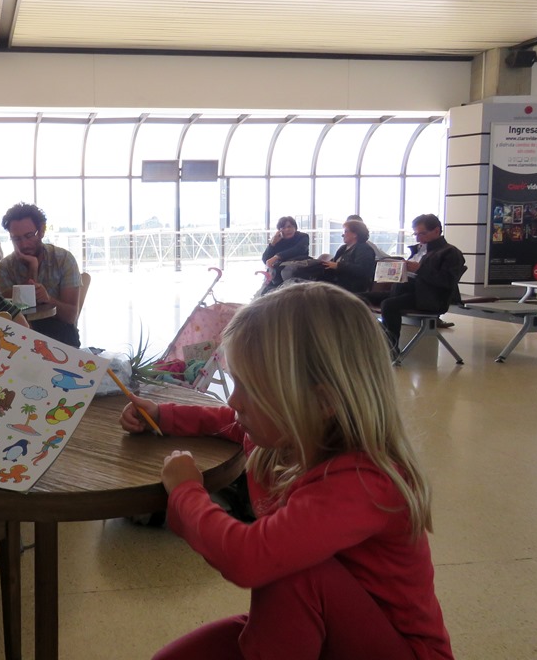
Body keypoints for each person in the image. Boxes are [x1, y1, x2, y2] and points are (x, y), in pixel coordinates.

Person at [119, 282, 454, 660]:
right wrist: (163, 415)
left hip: (400, 651)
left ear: (322, 401)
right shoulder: (289, 436)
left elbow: (248, 558)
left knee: (294, 571)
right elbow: (227, 421)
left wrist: (185, 492)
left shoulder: (365, 482)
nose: (234, 400)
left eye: (251, 388)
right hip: (323, 626)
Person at [365, 214, 466, 354]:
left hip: (428, 297)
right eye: (416, 234)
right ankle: (366, 339)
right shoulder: (419, 250)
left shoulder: (450, 253)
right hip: (404, 292)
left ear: (436, 231)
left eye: (422, 234)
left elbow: (448, 281)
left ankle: (391, 348)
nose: (418, 238)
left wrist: (420, 269)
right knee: (360, 297)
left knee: (388, 305)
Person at [0, 202, 82, 347]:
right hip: (22, 334)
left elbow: (70, 316)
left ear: (41, 231)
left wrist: (48, 299)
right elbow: (18, 311)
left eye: (29, 236)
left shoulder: (63, 259)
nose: (24, 244)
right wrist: (33, 267)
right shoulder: (3, 268)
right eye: (16, 239)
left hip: (61, 334)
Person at [315, 218, 376, 293]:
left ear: (355, 234)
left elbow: (362, 270)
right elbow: (333, 263)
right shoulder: (343, 248)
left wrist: (338, 266)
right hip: (337, 283)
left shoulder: (365, 249)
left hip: (351, 288)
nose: (343, 235)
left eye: (346, 231)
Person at [261, 216, 309, 292]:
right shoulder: (278, 240)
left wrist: (276, 257)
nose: (287, 229)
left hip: (297, 271)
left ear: (295, 227)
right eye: (283, 227)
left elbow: (299, 249)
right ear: (279, 230)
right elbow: (265, 260)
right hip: (278, 274)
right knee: (266, 291)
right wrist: (272, 244)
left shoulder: (303, 237)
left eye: (290, 226)